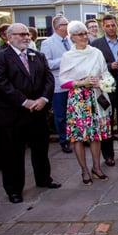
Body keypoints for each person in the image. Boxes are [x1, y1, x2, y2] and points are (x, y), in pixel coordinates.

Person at [0, 23, 61, 203]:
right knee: (13, 154)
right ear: (9, 37)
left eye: (27, 34)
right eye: (21, 35)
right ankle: (14, 190)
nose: (26, 38)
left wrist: (43, 99)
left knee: (40, 149)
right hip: (12, 115)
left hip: (37, 112)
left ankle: (44, 179)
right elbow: (2, 84)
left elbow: (49, 79)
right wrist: (24, 101)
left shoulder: (38, 56)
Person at [59, 21, 111, 185]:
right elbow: (63, 81)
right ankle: (84, 170)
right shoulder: (68, 56)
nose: (84, 36)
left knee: (96, 135)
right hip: (78, 100)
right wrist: (81, 83)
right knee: (78, 137)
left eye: (85, 33)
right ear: (72, 37)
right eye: (80, 34)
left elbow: (105, 74)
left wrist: (101, 83)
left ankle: (96, 167)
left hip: (96, 97)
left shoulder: (96, 52)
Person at [91, 14, 118, 166]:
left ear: (117, 25)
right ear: (103, 27)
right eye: (107, 25)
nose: (110, 28)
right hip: (105, 87)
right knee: (106, 120)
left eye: (113, 25)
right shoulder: (96, 44)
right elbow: (94, 66)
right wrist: (110, 66)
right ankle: (108, 155)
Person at [40, 15, 73, 154]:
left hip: (74, 83)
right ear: (58, 27)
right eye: (66, 24)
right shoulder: (48, 43)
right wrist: (66, 58)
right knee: (60, 115)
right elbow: (46, 64)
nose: (68, 26)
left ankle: (75, 138)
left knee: (73, 113)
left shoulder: (71, 40)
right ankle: (64, 140)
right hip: (59, 85)